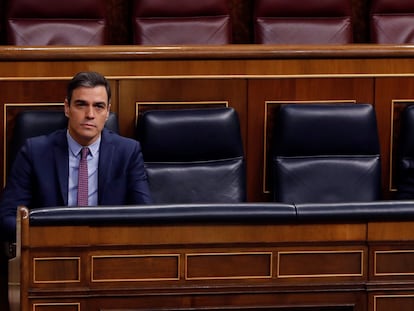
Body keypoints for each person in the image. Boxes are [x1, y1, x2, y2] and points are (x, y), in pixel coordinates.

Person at [0, 71, 153, 242]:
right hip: (51, 252)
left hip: (107, 251)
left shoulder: (128, 152)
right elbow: (7, 217)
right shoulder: (34, 152)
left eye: (98, 106)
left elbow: (144, 215)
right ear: (67, 108)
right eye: (81, 105)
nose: (90, 114)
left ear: (107, 111)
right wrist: (49, 239)